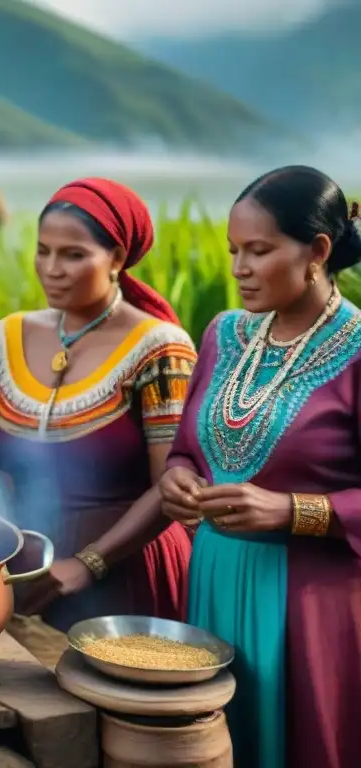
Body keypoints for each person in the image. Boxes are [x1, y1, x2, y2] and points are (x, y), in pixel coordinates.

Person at [160, 166, 361, 768]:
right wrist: (176, 476)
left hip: (312, 603)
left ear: (317, 252)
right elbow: (190, 449)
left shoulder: (356, 353)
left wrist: (293, 510)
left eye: (259, 250)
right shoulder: (224, 336)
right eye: (233, 251)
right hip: (215, 580)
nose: (238, 268)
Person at [0, 178, 195, 631]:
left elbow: (171, 485)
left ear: (118, 259)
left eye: (73, 255)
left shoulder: (160, 349)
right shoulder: (5, 337)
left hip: (125, 572)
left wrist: (89, 563)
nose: (52, 268)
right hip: (23, 568)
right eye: (43, 250)